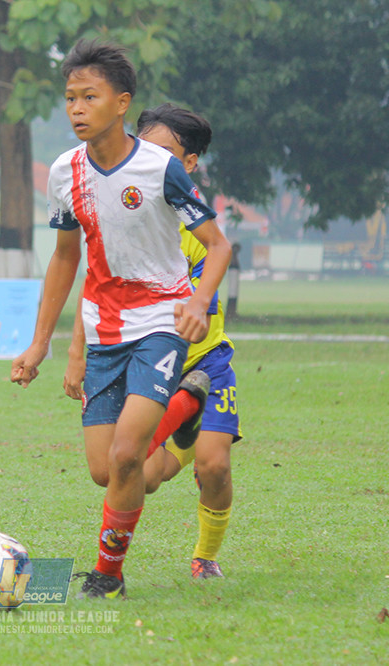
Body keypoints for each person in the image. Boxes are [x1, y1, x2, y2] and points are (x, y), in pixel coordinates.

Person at [11, 41, 232, 599]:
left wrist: (195, 301)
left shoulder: (160, 169)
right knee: (106, 472)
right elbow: (65, 258)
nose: (77, 108)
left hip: (160, 319)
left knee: (130, 453)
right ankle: (187, 405)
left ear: (121, 103)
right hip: (105, 328)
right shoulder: (64, 172)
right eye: (69, 98)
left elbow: (218, 245)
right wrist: (41, 344)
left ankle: (106, 577)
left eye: (90, 96)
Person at [63, 103, 242, 580]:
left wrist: (198, 305)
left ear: (187, 164)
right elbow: (99, 281)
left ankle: (204, 557)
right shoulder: (122, 207)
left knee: (214, 466)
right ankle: (182, 417)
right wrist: (76, 350)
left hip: (202, 357)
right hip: (139, 352)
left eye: (165, 152)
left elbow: (212, 264)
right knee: (137, 474)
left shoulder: (192, 222)